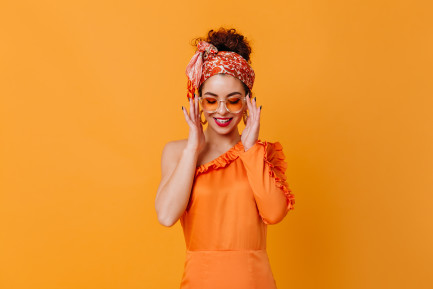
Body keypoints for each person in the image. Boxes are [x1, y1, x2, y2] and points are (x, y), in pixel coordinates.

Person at [154, 27, 295, 289]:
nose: (221, 111)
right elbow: (166, 215)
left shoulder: (260, 154)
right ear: (198, 102)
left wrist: (250, 149)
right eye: (211, 100)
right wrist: (193, 147)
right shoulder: (178, 152)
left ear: (247, 103)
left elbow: (275, 214)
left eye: (232, 101)